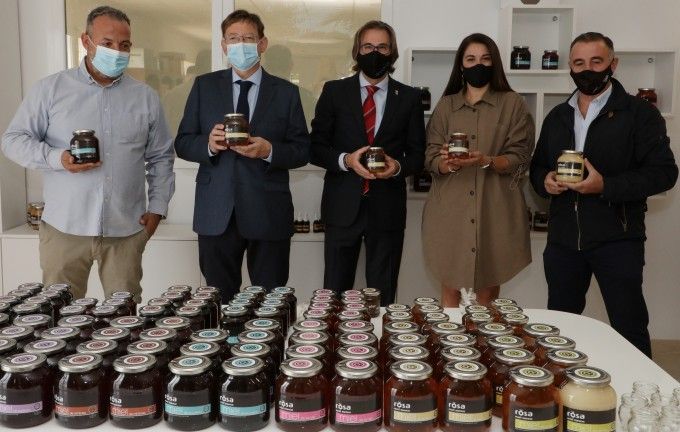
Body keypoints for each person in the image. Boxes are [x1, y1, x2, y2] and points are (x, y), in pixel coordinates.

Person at [1, 5, 175, 302]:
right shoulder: (51, 89)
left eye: (124, 45)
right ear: (86, 41)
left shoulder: (145, 97)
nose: (116, 52)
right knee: (59, 313)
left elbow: (161, 158)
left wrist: (157, 209)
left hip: (125, 230)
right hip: (64, 228)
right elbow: (13, 140)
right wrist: (58, 158)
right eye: (107, 43)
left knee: (123, 316)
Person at [530, 32, 677, 357]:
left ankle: (639, 386)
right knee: (559, 328)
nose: (587, 70)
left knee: (629, 327)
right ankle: (561, 385)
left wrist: (605, 186)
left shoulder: (639, 114)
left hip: (618, 240)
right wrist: (546, 181)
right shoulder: (557, 116)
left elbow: (664, 173)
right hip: (563, 241)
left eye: (596, 62)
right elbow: (537, 167)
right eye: (579, 63)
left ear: (613, 64)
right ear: (570, 67)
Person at [175, 9, 310, 303]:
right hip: (216, 212)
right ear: (224, 46)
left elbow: (302, 149)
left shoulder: (286, 92)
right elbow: (183, 142)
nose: (240, 45)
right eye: (233, 39)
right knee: (219, 302)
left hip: (268, 211)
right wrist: (209, 145)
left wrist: (269, 150)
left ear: (262, 43)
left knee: (270, 303)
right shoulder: (204, 86)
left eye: (248, 38)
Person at [310, 20, 425, 305]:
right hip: (341, 208)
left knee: (383, 297)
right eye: (368, 46)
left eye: (382, 47)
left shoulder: (409, 97)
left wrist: (396, 167)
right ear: (357, 51)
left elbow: (418, 155)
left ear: (392, 52)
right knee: (334, 296)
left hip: (387, 211)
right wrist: (346, 160)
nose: (375, 52)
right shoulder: (334, 92)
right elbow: (315, 148)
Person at [422, 33, 535, 307]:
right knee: (450, 290)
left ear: (494, 63)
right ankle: (451, 336)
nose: (478, 65)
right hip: (450, 210)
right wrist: (445, 162)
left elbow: (521, 156)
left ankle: (482, 337)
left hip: (494, 208)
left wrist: (486, 160)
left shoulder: (513, 103)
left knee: (488, 293)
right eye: (471, 59)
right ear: (461, 65)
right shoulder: (446, 105)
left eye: (485, 59)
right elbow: (430, 156)